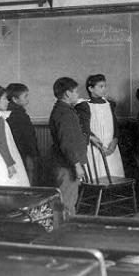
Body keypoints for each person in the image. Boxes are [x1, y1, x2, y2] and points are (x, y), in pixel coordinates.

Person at [48, 77, 88, 216]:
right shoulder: (64, 113)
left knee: (69, 200)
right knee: (66, 203)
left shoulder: (64, 110)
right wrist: (77, 164)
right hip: (67, 166)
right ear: (67, 93)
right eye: (75, 91)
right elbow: (67, 142)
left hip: (67, 164)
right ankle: (65, 234)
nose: (77, 95)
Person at [74, 74, 124, 180]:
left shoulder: (109, 104)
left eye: (105, 86)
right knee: (98, 176)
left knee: (113, 176)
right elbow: (84, 128)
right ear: (90, 88)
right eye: (101, 86)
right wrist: (99, 145)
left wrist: (114, 143)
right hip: (95, 147)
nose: (104, 89)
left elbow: (115, 126)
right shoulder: (84, 106)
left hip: (111, 146)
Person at [6, 83, 39, 185]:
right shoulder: (20, 115)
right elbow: (28, 137)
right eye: (25, 96)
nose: (27, 99)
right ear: (15, 99)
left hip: (12, 154)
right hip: (24, 153)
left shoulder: (6, 113)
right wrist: (34, 154)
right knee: (26, 180)